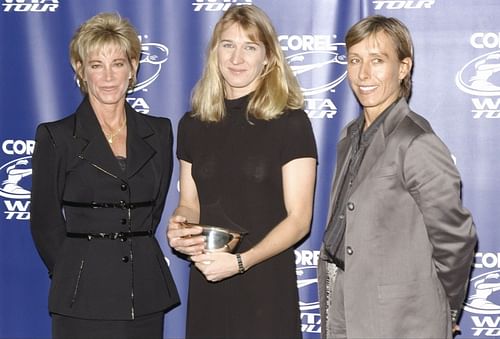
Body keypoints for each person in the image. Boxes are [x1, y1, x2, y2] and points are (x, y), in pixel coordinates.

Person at [318, 15, 477, 339]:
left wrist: (442, 309)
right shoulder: (350, 136)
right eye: (355, 60)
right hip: (344, 300)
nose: (364, 74)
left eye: (377, 61)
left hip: (400, 320)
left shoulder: (416, 141)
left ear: (403, 68)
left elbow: (456, 239)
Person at [166, 4, 317, 339]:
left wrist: (240, 262)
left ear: (268, 58)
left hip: (264, 284)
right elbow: (190, 202)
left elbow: (299, 219)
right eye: (228, 45)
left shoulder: (291, 123)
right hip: (208, 279)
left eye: (250, 47)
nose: (237, 58)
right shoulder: (192, 124)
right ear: (214, 52)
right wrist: (180, 227)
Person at [30, 12, 179, 339]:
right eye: (96, 65)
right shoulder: (56, 136)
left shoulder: (159, 132)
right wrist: (76, 269)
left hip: (144, 294)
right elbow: (44, 222)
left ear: (133, 67)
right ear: (80, 71)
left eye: (118, 63)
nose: (108, 76)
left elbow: (152, 211)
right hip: (82, 295)